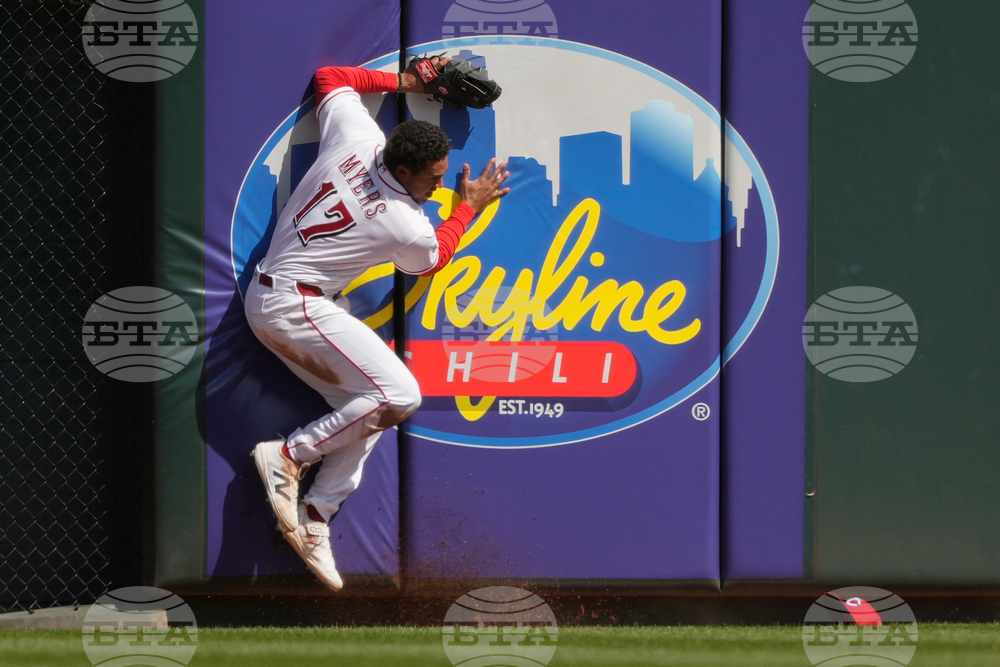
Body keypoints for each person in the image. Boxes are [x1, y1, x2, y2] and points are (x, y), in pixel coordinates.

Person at [246, 57, 509, 591]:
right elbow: (433, 257)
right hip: (294, 305)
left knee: (367, 405)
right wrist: (467, 208)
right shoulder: (404, 222)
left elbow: (328, 78)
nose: (438, 187)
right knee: (400, 395)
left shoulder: (359, 137)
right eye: (434, 179)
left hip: (280, 295)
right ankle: (289, 456)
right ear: (406, 170)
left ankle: (317, 516)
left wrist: (406, 83)